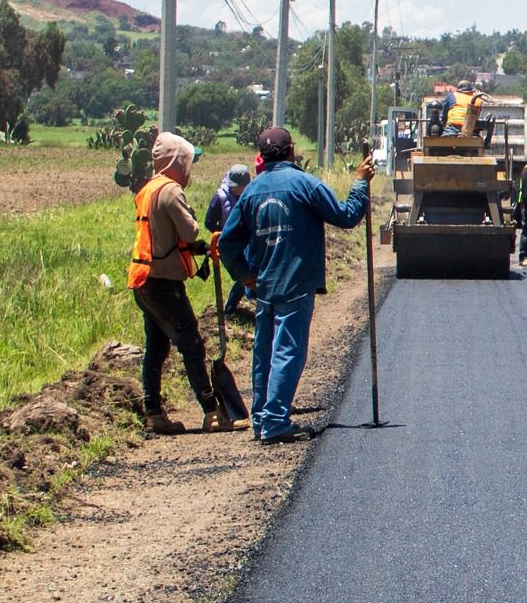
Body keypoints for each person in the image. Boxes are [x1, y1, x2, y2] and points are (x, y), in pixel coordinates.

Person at [218, 125, 373, 445]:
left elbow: (227, 244)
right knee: (287, 351)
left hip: (265, 286)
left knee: (264, 353)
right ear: (291, 150)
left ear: (262, 156)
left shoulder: (251, 191)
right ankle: (274, 421)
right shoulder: (305, 184)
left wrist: (246, 276)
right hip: (296, 283)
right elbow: (346, 216)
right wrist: (360, 183)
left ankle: (262, 418)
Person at [127, 131, 224, 436]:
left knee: (156, 347)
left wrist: (196, 251)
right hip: (163, 284)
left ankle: (154, 413)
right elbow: (189, 230)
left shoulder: (148, 189)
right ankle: (212, 412)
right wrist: (197, 238)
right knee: (192, 344)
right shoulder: (170, 191)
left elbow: (164, 236)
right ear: (176, 161)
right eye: (188, 161)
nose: (190, 169)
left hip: (144, 280)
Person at [204, 162, 253, 317]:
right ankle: (229, 310)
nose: (235, 189)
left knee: (253, 271)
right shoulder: (220, 197)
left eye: (238, 186)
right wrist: (224, 235)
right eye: (233, 186)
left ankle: (253, 301)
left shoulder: (253, 193)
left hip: (250, 241)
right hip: (231, 245)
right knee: (242, 275)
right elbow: (209, 222)